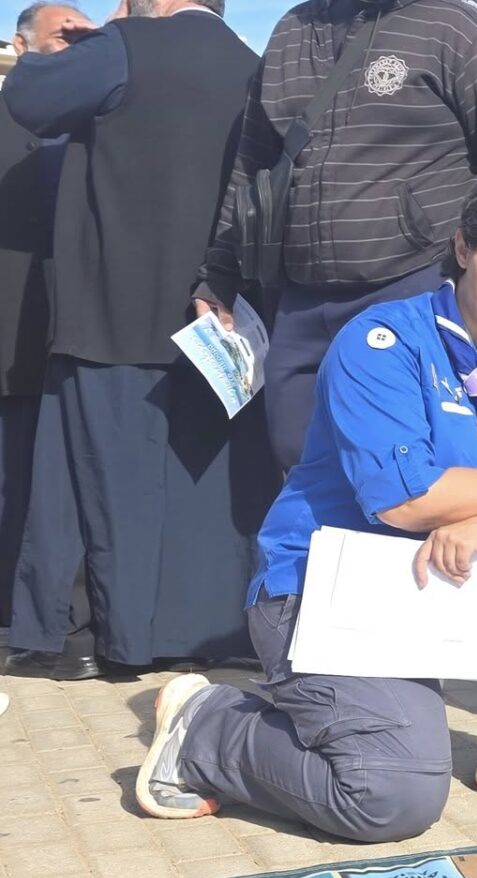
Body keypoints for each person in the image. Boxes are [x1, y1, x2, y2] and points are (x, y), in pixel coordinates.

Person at [137, 171, 477, 841]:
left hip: (439, 586)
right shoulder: (384, 343)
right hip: (324, 594)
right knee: (392, 793)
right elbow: (407, 500)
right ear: (465, 249)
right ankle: (208, 730)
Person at [3, 0, 279, 677]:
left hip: (109, 315)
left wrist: (88, 40)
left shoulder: (127, 46)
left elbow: (28, 97)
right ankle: (199, 636)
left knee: (95, 488)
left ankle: (108, 642)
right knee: (199, 499)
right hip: (214, 319)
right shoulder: (257, 68)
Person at [193, 0, 477, 472]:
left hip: (415, 289)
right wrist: (218, 276)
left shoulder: (456, 28)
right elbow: (251, 168)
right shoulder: (289, 32)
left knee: (401, 466)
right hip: (299, 298)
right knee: (298, 461)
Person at [0, 1, 91, 637]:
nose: (77, 49)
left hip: (50, 341)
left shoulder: (92, 128)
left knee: (35, 490)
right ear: (20, 42)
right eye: (66, 38)